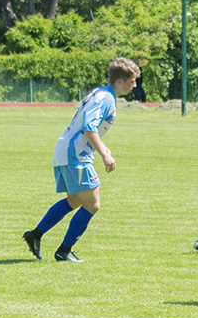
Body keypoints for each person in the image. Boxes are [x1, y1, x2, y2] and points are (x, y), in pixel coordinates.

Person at [22, 57, 140, 262]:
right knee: (92, 204)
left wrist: (102, 147)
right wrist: (104, 154)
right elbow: (88, 127)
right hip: (75, 154)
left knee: (75, 200)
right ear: (120, 81)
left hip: (67, 149)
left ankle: (35, 235)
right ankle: (64, 251)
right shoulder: (106, 98)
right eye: (132, 81)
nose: (135, 85)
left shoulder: (100, 93)